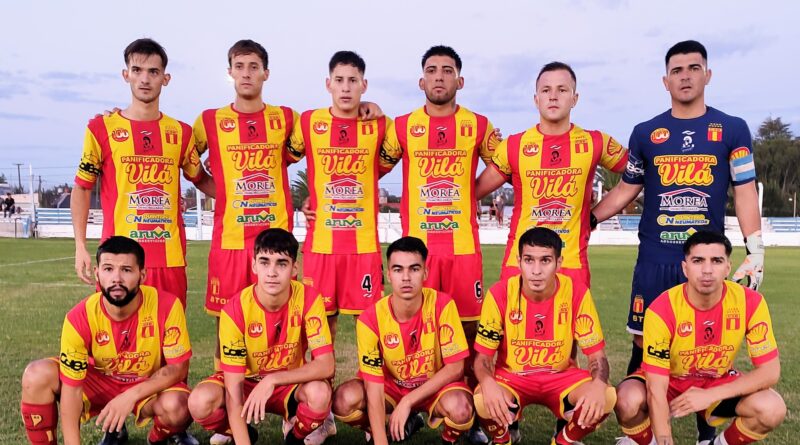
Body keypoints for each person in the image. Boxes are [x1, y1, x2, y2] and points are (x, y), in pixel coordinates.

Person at [591, 40, 764, 443]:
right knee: (643, 343)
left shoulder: (733, 129)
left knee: (709, 344)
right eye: (677, 70)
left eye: (693, 68)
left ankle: (707, 433)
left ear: (708, 75)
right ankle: (645, 433)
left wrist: (756, 250)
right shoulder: (646, 133)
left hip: (705, 260)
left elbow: (744, 190)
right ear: (665, 80)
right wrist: (589, 219)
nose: (685, 76)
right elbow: (627, 189)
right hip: (656, 258)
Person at [377, 44, 501, 444]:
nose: (439, 77)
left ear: (459, 81)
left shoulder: (478, 125)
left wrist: (470, 192)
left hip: (463, 251)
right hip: (419, 254)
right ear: (421, 81)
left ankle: (469, 416)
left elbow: (504, 165)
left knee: (468, 333)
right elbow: (370, 166)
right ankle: (413, 405)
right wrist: (368, 112)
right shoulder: (402, 127)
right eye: (432, 70)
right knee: (416, 330)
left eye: (447, 70)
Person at [72, 38, 215, 306]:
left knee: (169, 332)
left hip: (169, 260)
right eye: (137, 70)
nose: (145, 79)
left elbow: (202, 179)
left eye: (153, 71)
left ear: (165, 78)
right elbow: (82, 186)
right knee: (115, 331)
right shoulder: (101, 128)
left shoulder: (181, 133)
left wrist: (243, 189)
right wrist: (80, 245)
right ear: (125, 75)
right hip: (118, 260)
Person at [20, 236, 195, 445]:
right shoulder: (79, 318)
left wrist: (129, 396)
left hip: (145, 383)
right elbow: (72, 389)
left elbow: (178, 368)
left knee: (179, 405)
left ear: (143, 275)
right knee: (36, 375)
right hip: (99, 382)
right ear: (97, 274)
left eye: (126, 270)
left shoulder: (167, 305)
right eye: (108, 269)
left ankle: (157, 437)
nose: (116, 279)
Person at [614, 231, 784, 445]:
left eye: (716, 261)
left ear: (728, 267)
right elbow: (656, 387)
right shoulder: (662, 309)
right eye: (698, 261)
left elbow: (770, 371)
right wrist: (665, 439)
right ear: (685, 268)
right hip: (670, 382)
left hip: (717, 381)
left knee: (772, 408)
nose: (707, 270)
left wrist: (711, 395)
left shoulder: (750, 302)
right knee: (627, 400)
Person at [475, 61, 628, 287]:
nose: (553, 96)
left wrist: (594, 216)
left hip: (572, 265)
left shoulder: (595, 142)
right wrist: (474, 146)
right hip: (520, 266)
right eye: (546, 90)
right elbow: (472, 191)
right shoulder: (513, 145)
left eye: (562, 90)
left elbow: (638, 174)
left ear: (575, 98)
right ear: (536, 99)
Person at [187, 228, 334, 445]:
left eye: (281, 264)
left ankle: (295, 438)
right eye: (265, 262)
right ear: (254, 265)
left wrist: (272, 380)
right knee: (199, 401)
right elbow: (234, 389)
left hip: (289, 383)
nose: (272, 272)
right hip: (246, 383)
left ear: (295, 268)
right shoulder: (235, 310)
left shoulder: (309, 299)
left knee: (320, 393)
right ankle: (243, 432)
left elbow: (326, 365)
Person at [473, 227, 616, 445]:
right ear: (519, 261)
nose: (536, 270)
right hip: (513, 378)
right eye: (529, 260)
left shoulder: (576, 292)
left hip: (561, 377)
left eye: (545, 260)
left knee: (606, 396)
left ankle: (563, 441)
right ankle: (503, 440)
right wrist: (487, 382)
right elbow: (482, 358)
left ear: (559, 263)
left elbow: (597, 356)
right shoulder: (500, 293)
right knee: (482, 398)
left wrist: (598, 385)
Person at [332, 236, 474, 445]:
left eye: (414, 269)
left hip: (434, 388)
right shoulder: (370, 319)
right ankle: (387, 429)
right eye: (398, 270)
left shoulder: (443, 305)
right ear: (389, 275)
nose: (406, 277)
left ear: (425, 273)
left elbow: (455, 367)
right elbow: (373, 387)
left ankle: (448, 438)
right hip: (391, 389)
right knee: (344, 400)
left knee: (461, 408)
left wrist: (408, 401)